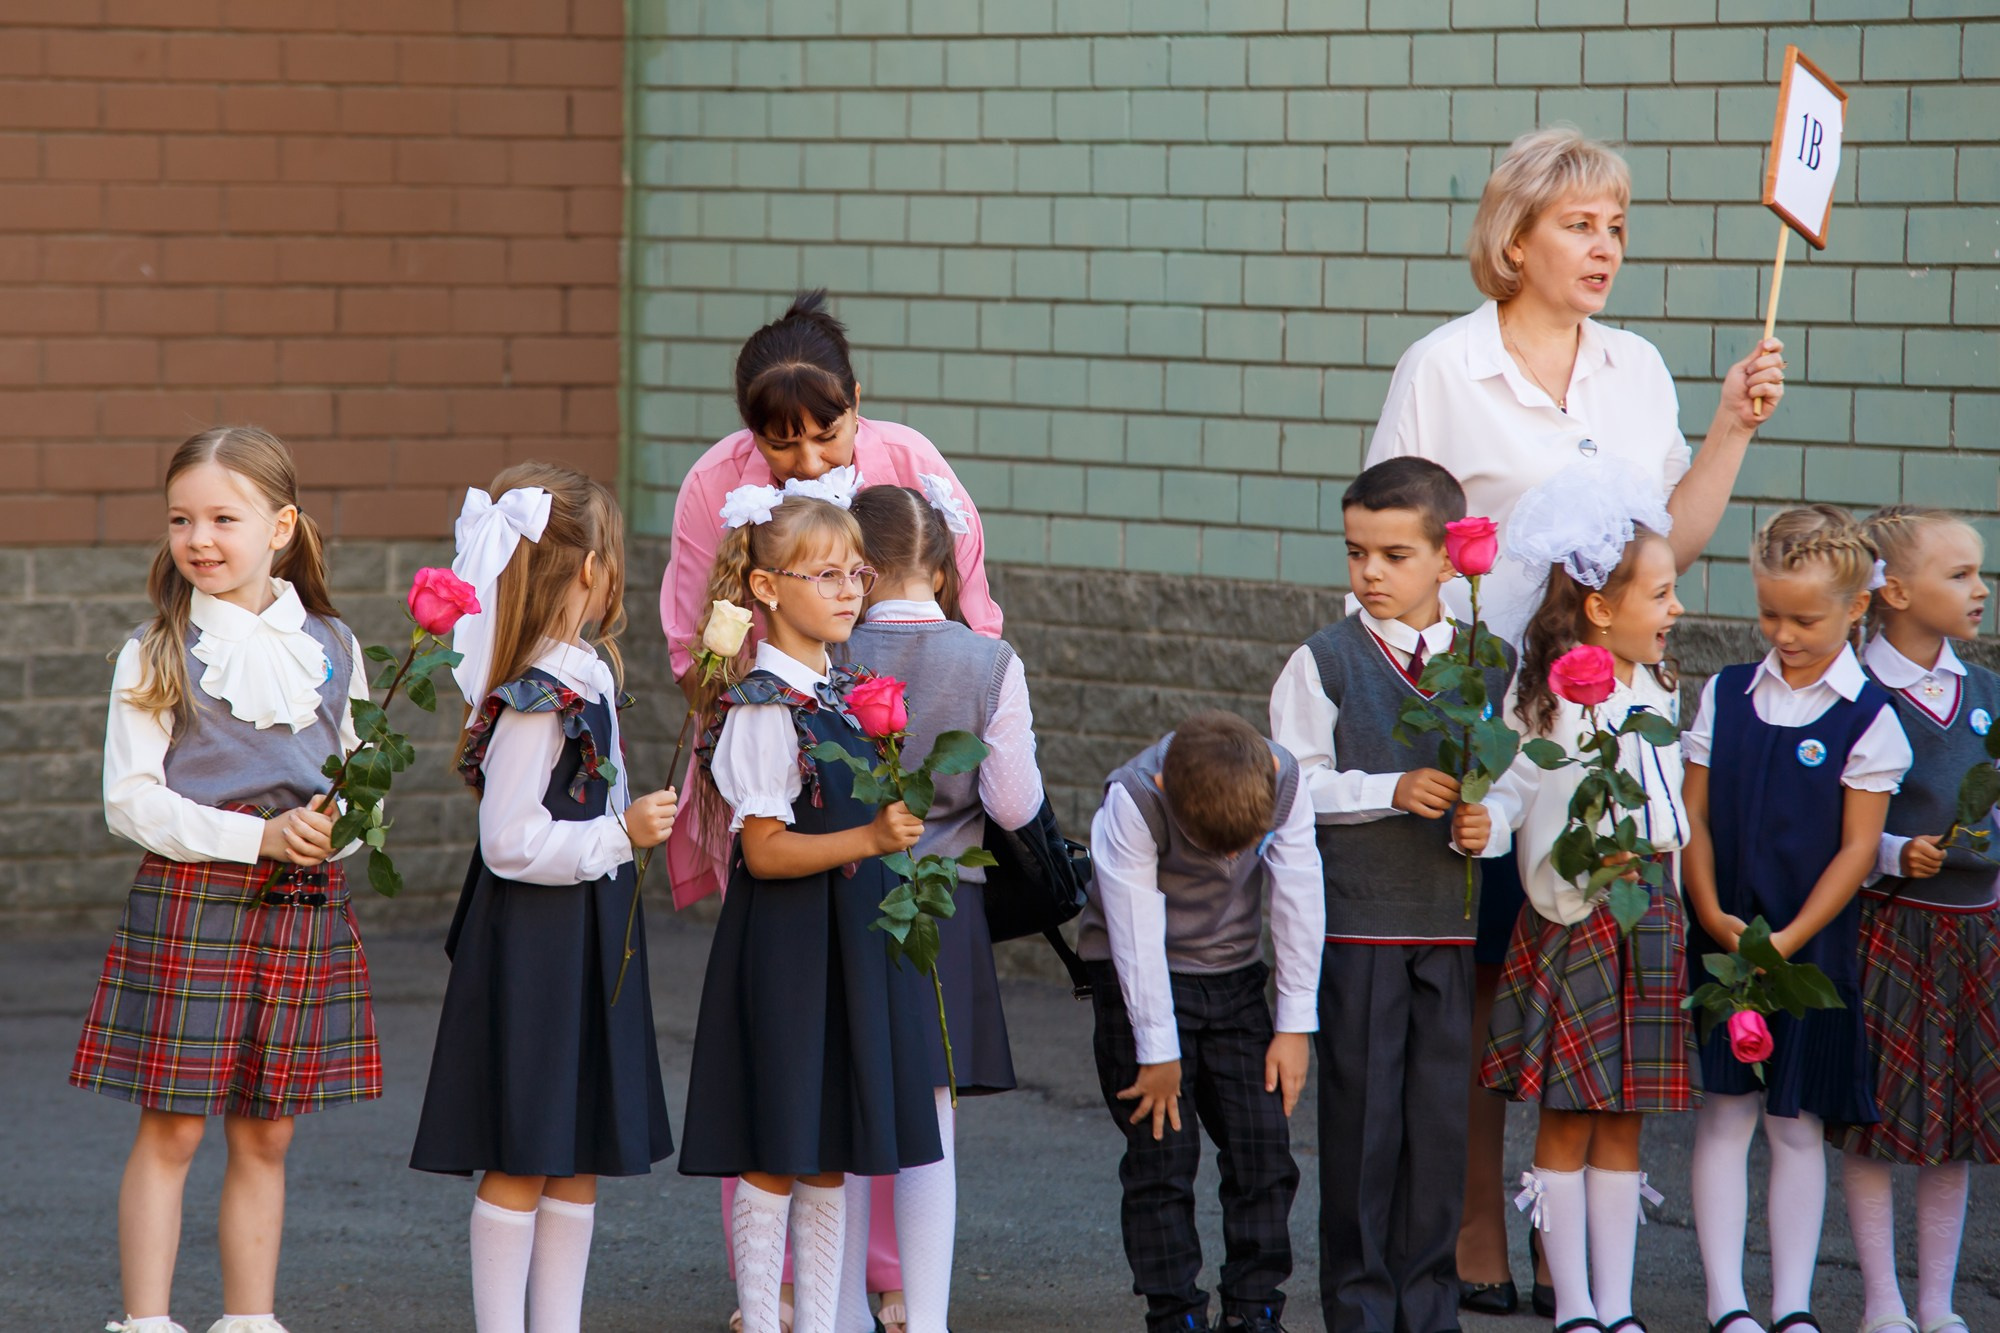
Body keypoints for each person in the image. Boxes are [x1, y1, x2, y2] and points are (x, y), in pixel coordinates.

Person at [1363, 124, 1787, 1313]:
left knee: (1579, 976)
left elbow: (1670, 543)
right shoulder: (1441, 369)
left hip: (1600, 736)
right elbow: (1399, 544)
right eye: (1577, 224)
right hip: (1482, 724)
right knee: (1484, 980)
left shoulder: (1634, 368)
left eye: (1615, 227)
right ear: (1514, 237)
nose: (1603, 247)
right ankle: (1475, 1225)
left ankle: (1576, 1257)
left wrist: (1730, 430)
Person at [664, 290, 1004, 1330]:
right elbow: (694, 639)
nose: (808, 461)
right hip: (785, 761)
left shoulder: (912, 461)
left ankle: (884, 1270)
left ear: (860, 405)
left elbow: (967, 597)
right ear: (747, 435)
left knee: (884, 1040)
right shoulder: (712, 488)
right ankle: (768, 1284)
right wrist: (762, 691)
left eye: (828, 432)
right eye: (782, 444)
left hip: (875, 755)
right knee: (782, 1044)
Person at [74, 427, 381, 1333]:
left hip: (301, 905)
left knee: (267, 1129)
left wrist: (336, 837)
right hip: (194, 902)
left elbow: (361, 783)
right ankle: (148, 1321)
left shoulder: (332, 641)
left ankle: (250, 1320)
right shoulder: (155, 649)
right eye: (181, 519)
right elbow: (128, 800)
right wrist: (256, 842)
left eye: (222, 518)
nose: (199, 538)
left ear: (281, 525)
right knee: (174, 1124)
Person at [408, 464, 679, 1333]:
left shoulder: (585, 676)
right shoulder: (534, 701)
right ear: (590, 572)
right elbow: (510, 840)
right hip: (535, 941)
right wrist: (619, 835)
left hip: (588, 931)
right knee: (526, 1148)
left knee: (576, 1153)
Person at [677, 488, 944, 1333]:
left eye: (856, 571)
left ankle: (824, 1322)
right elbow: (764, 850)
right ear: (763, 588)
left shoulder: (838, 690)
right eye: (824, 573)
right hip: (790, 951)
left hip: (844, 943)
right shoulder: (765, 703)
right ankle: (767, 1318)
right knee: (778, 1151)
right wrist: (869, 837)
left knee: (828, 1153)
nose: (848, 589)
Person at [1267, 457, 1511, 1333]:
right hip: (1357, 938)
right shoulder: (1322, 660)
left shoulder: (1491, 660)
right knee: (1364, 1137)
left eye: (1395, 554)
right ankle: (1362, 1312)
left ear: (1449, 560)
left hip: (1448, 932)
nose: (1370, 571)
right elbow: (1291, 787)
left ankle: (1430, 1309)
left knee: (1438, 1133)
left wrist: (1496, 824)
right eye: (1356, 551)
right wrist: (1388, 788)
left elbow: (1513, 783)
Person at [1476, 464, 1699, 1333]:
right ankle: (1572, 1303)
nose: (1675, 609)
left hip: (1650, 923)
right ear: (1602, 607)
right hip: (1576, 920)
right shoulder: (1550, 699)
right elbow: (1512, 790)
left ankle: (1619, 1304)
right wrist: (1482, 826)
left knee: (1625, 1122)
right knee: (1568, 1116)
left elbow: (1672, 811)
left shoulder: (1659, 688)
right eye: (1662, 592)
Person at [1681, 506, 1911, 1333]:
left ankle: (1792, 1305)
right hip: (1724, 943)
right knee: (1725, 1113)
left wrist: (1786, 939)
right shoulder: (1724, 695)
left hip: (1809, 949)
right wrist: (1709, 910)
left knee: (1794, 1122)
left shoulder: (1868, 718)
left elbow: (1856, 849)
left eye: (1804, 617)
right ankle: (1727, 1301)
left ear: (1857, 609)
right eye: (1770, 612)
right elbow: (1696, 818)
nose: (1782, 632)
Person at [833, 481, 1046, 1333]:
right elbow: (1017, 801)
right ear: (944, 562)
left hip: (843, 889)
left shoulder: (831, 651)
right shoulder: (990, 660)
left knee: (839, 1107)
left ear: (864, 563)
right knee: (931, 1117)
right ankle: (927, 1319)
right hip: (944, 903)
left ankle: (839, 1311)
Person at [1077, 710, 1324, 1333]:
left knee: (1262, 1148)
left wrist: (1295, 1025)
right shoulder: (1133, 799)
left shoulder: (1283, 777)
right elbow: (1134, 939)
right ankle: (1175, 1312)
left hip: (1235, 976)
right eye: (1218, 847)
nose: (1233, 861)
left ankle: (1254, 1305)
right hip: (1139, 980)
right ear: (1168, 791)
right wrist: (1158, 1056)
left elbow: (1298, 894)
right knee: (1163, 1155)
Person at [1836, 506, 1996, 1333]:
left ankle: (1936, 1300)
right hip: (1890, 929)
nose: (1981, 589)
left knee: (1958, 1124)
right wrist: (1895, 851)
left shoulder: (1987, 692)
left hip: (1976, 930)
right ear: (1893, 591)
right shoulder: (1856, 693)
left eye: (1980, 572)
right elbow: (1831, 823)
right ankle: (1882, 1300)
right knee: (1879, 1115)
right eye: (1960, 573)